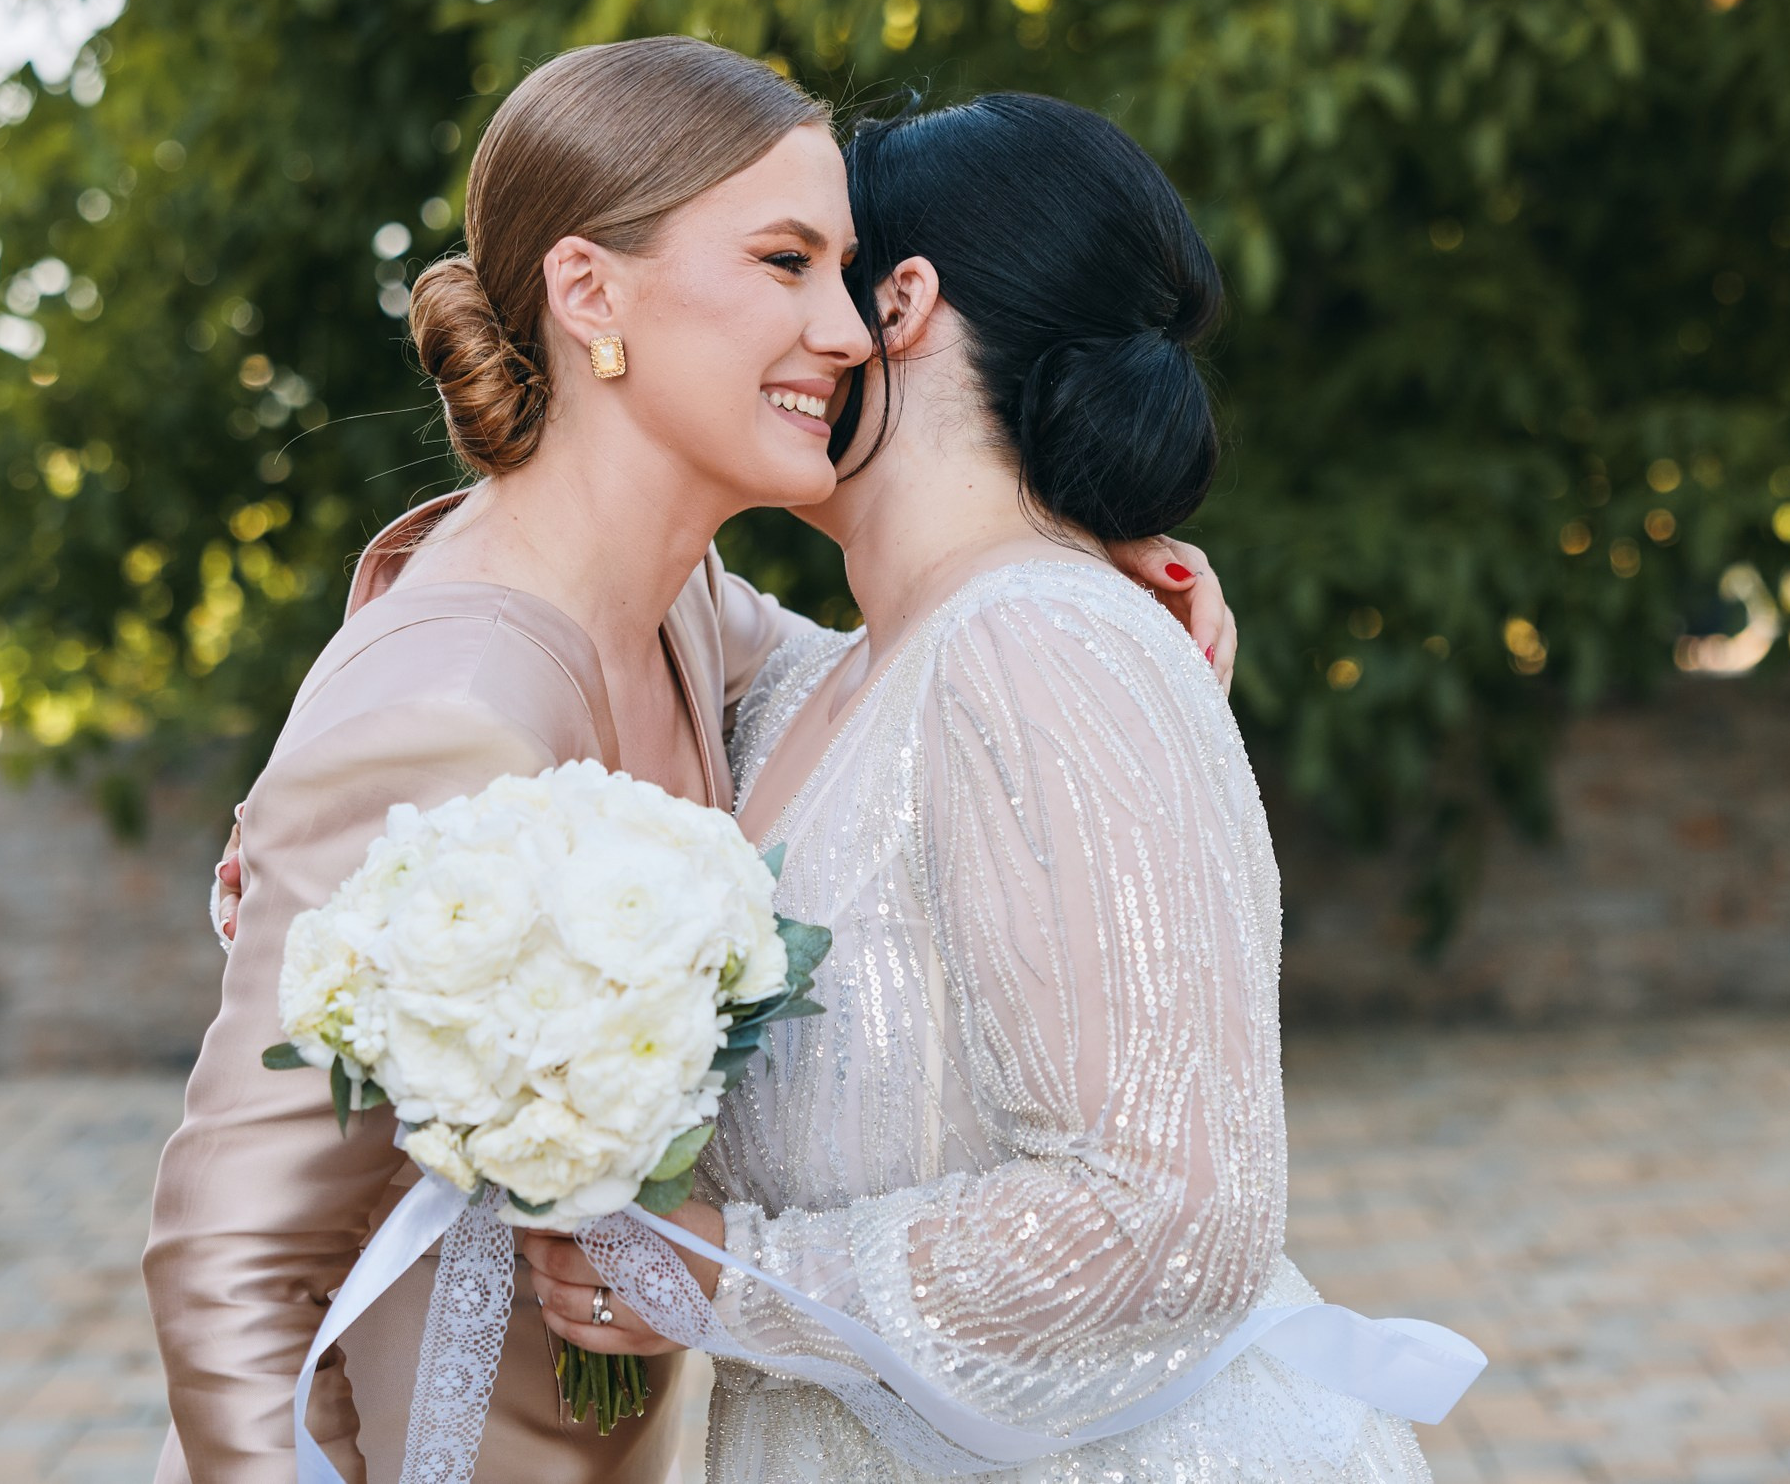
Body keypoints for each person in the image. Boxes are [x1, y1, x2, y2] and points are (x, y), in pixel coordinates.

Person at [147, 44, 1234, 1483]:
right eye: (787, 263)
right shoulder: (450, 700)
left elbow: (897, 692)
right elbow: (232, 1253)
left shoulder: (691, 613)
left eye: (847, 271)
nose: (847, 329)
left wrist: (1085, 563)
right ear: (590, 293)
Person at [521, 95, 1444, 1481]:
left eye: (813, 271)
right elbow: (568, 564)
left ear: (898, 305)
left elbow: (1171, 1214)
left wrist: (734, 1281)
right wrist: (344, 806)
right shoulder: (818, 679)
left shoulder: (1038, 643)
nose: (792, 328)